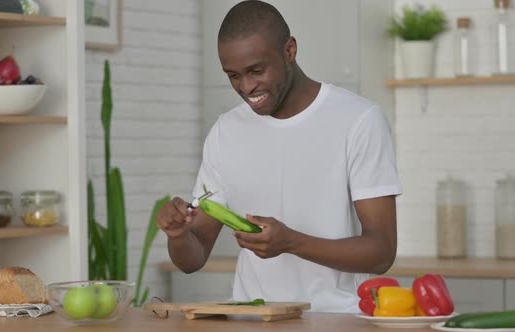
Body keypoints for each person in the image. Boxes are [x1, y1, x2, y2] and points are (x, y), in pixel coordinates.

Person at [156, 0, 401, 313]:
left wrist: (291, 242)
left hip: (335, 320)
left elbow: (381, 252)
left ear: (289, 51)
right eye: (233, 75)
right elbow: (193, 257)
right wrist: (177, 234)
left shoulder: (359, 120)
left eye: (256, 70)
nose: (246, 87)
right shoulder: (226, 131)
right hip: (252, 317)